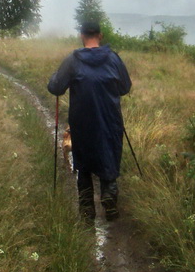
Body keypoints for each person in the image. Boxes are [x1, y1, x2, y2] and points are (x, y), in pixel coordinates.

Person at [48, 21, 132, 220]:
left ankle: (87, 211)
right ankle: (109, 198)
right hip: (110, 119)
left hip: (82, 122)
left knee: (84, 164)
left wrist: (54, 76)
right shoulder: (113, 58)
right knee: (109, 156)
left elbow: (56, 88)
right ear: (100, 35)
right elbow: (125, 87)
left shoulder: (73, 60)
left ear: (81, 35)